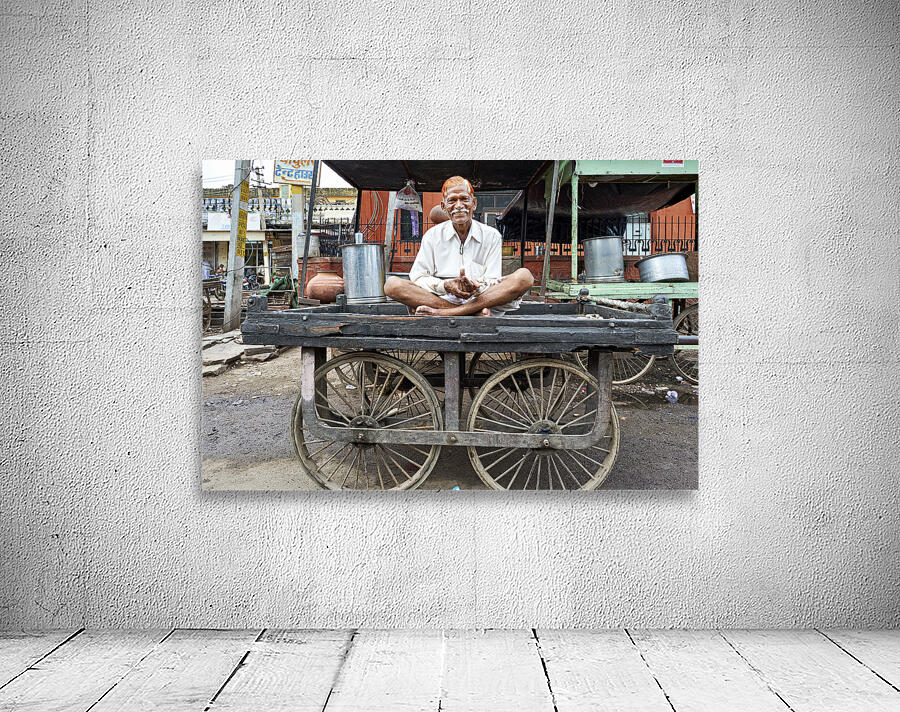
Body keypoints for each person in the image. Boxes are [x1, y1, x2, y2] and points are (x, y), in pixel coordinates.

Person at [384, 176, 533, 316]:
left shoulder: (491, 235)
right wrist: (446, 285)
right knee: (392, 285)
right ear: (444, 206)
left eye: (464, 199)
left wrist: (475, 287)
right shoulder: (432, 236)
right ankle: (470, 313)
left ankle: (446, 313)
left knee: (524, 277)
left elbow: (492, 279)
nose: (459, 205)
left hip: (481, 298)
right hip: (442, 298)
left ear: (474, 203)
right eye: (452, 200)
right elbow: (418, 277)